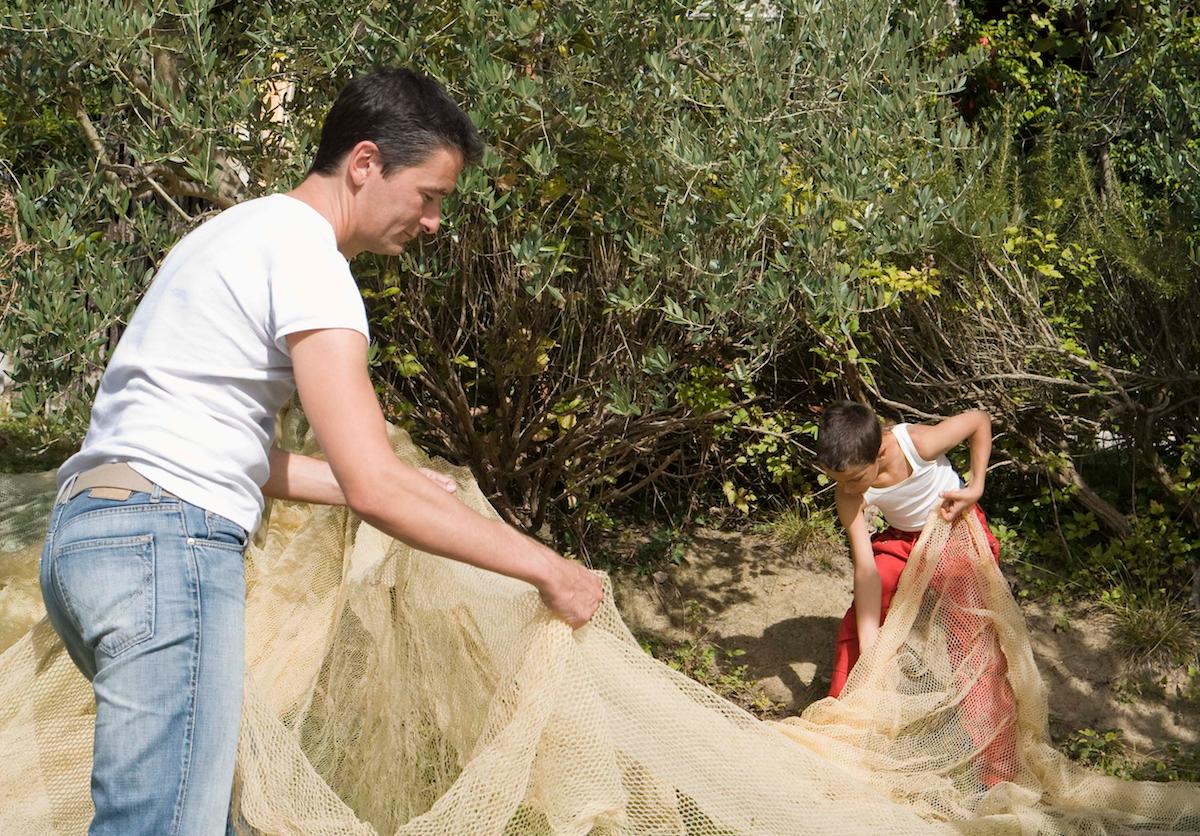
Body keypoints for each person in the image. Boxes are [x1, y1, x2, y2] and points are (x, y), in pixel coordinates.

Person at [38, 67, 603, 835]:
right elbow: (375, 486)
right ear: (365, 164)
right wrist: (549, 567)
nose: (434, 221)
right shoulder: (312, 261)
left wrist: (375, 483)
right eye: (430, 196)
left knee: (204, 812)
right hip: (163, 551)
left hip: (90, 541)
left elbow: (229, 452)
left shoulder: (233, 233)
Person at [814, 401, 1015, 785]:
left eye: (856, 478)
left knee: (972, 645)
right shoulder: (848, 493)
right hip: (905, 544)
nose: (847, 487)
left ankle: (997, 769)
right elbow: (866, 569)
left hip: (956, 532)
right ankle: (844, 732)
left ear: (880, 451)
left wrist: (976, 485)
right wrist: (875, 646)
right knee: (859, 627)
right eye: (837, 479)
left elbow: (979, 420)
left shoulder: (917, 444)